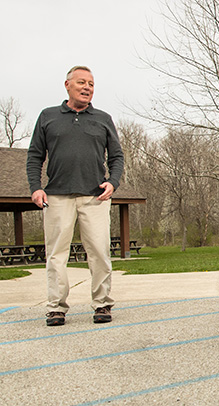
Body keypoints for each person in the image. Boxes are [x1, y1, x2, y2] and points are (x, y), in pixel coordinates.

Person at [26, 66, 124, 326]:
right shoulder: (48, 116)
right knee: (56, 255)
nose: (87, 87)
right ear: (67, 85)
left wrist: (113, 182)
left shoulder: (103, 119)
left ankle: (102, 304)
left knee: (100, 252)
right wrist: (36, 187)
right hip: (57, 197)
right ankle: (56, 308)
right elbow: (35, 155)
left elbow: (116, 156)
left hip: (95, 197)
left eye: (91, 84)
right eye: (81, 82)